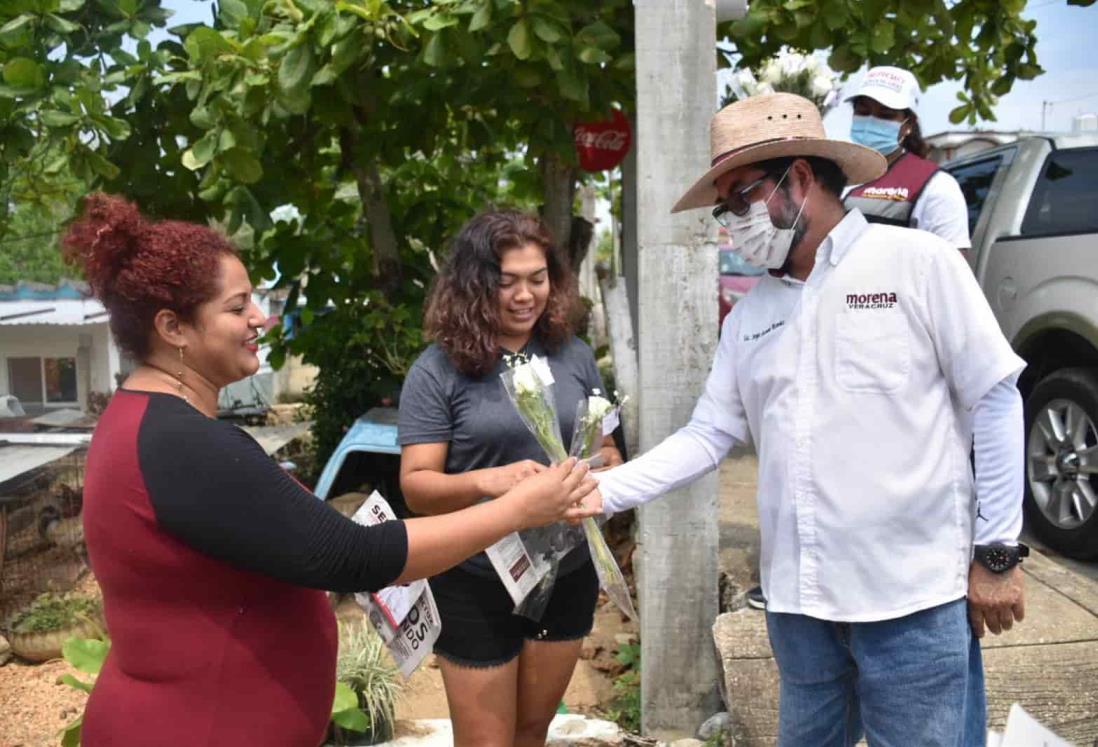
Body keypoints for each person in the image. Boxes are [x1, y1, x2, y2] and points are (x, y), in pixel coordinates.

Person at [64, 194, 599, 747]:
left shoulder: (147, 423)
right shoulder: (181, 442)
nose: (259, 318)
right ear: (174, 328)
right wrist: (515, 509)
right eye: (237, 306)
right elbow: (352, 556)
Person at [592, 93, 1028, 746]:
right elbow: (708, 436)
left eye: (741, 198)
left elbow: (996, 397)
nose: (733, 223)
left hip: (910, 599)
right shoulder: (750, 319)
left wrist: (996, 551)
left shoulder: (916, 266)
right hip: (801, 609)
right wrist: (595, 490)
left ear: (798, 179)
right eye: (725, 207)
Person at [398, 210, 623, 747]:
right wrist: (491, 481)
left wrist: (600, 477)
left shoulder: (575, 356)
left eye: (537, 278)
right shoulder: (439, 370)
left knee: (530, 732)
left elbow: (608, 449)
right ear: (475, 286)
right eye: (507, 282)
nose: (526, 295)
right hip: (475, 577)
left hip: (565, 573)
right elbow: (417, 486)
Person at [843, 65, 972, 251]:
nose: (871, 121)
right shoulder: (834, 174)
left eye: (885, 115)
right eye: (863, 112)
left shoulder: (937, 186)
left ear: (908, 124)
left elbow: (951, 271)